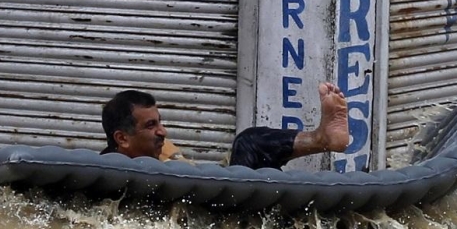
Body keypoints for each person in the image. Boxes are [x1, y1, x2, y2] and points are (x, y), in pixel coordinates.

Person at [100, 82, 349, 170]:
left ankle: (321, 138)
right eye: (151, 125)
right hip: (211, 211)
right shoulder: (111, 171)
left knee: (251, 141)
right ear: (122, 139)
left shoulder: (161, 150)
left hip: (216, 192)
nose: (162, 131)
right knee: (247, 142)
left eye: (160, 122)